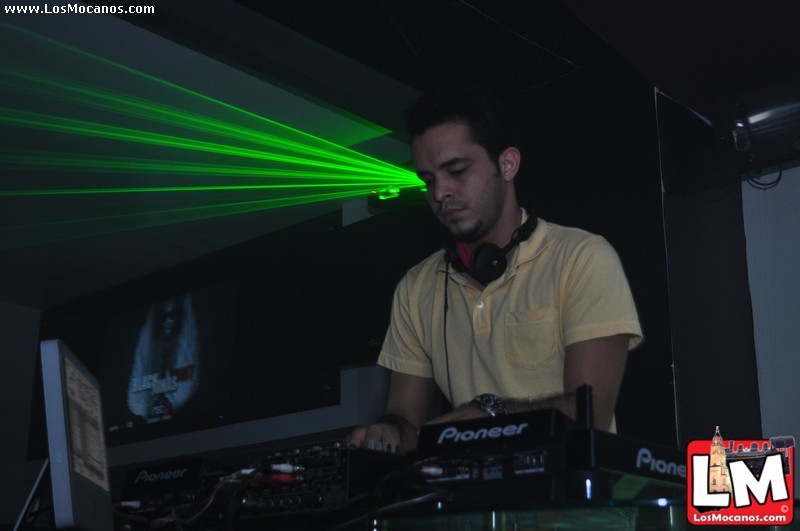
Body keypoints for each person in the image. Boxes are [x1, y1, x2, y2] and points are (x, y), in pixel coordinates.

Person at [346, 87, 642, 453]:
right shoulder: (416, 288)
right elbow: (406, 420)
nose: (440, 192)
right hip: (474, 505)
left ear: (507, 164)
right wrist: (386, 434)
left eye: (456, 171)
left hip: (576, 506)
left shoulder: (581, 258)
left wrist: (490, 413)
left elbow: (589, 412)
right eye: (428, 179)